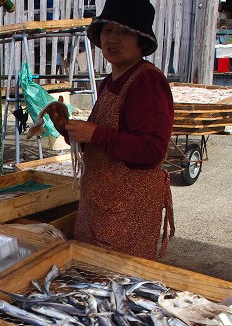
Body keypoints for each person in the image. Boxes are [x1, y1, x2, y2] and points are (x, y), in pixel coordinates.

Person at [65, 0, 174, 260]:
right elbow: (96, 139)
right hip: (101, 201)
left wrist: (94, 134)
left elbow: (153, 150)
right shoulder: (108, 82)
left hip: (129, 209)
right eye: (108, 30)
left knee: (121, 283)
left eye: (124, 32)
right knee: (89, 275)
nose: (113, 38)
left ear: (141, 42)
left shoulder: (146, 81)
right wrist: (67, 127)